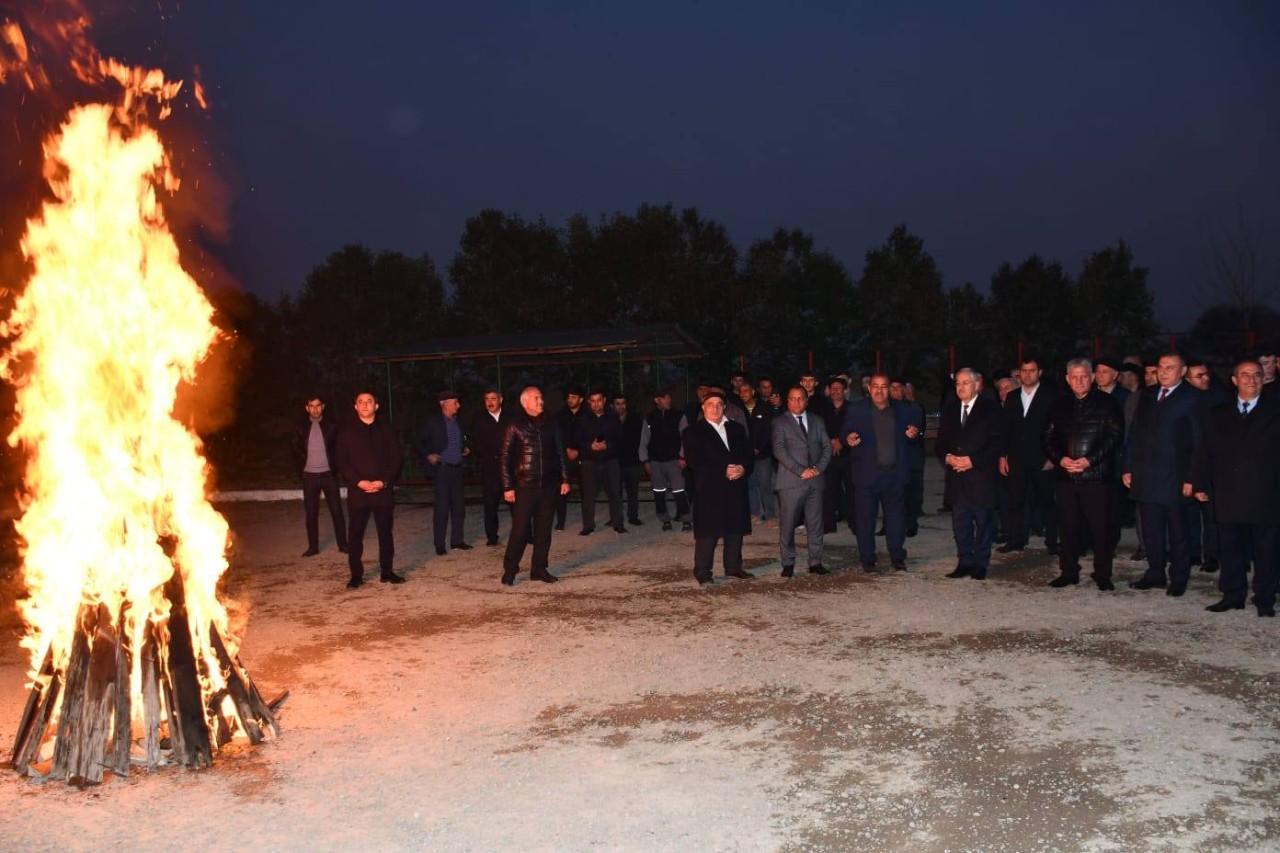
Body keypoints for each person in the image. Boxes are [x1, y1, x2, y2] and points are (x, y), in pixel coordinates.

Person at [1194, 359, 1279, 617]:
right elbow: (1204, 451)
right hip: (1228, 491)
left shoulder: (1276, 410)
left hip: (1266, 492)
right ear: (1234, 380)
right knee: (1229, 547)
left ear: (1263, 379)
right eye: (1245, 375)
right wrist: (1199, 482)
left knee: (1266, 551)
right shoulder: (1218, 413)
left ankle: (1264, 598)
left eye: (1256, 375)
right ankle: (1232, 595)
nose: (1251, 380)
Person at [1123, 353, 1205, 597]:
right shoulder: (1147, 395)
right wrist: (1128, 467)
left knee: (1178, 531)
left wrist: (1193, 478)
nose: (1164, 371)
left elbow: (1200, 442)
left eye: (1171, 367)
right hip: (1146, 475)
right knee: (1151, 530)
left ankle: (1179, 577)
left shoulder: (1193, 398)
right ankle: (1155, 572)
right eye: (1161, 367)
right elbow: (1134, 435)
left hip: (1175, 478)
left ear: (1182, 371)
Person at [1042, 359, 1124, 591]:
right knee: (1067, 527)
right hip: (1066, 477)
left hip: (1097, 478)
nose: (1079, 381)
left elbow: (1114, 435)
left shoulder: (1108, 404)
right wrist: (1061, 459)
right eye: (1074, 377)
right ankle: (1068, 571)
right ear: (1067, 379)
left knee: (1101, 528)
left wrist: (1089, 460)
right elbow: (1047, 437)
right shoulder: (1058, 405)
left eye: (1084, 376)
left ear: (1092, 377)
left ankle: (1102, 574)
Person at [842, 373, 923, 572]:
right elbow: (845, 433)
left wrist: (915, 434)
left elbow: (915, 433)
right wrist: (848, 439)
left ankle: (897, 556)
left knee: (896, 520)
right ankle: (868, 559)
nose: (879, 390)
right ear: (869, 389)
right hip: (867, 475)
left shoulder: (902, 410)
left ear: (890, 389)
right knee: (866, 520)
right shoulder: (857, 409)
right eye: (875, 386)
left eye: (884, 386)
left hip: (894, 475)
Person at [681, 389, 755, 586]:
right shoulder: (692, 432)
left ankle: (733, 567)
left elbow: (748, 456)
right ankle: (703, 571)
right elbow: (694, 461)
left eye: (719, 404)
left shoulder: (737, 429)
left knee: (735, 529)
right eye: (710, 405)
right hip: (709, 488)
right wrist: (724, 469)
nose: (715, 408)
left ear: (724, 407)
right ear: (703, 408)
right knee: (708, 532)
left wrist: (742, 468)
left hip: (735, 486)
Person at [500, 387, 571, 585]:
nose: (541, 401)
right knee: (520, 531)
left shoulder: (552, 423)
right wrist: (508, 487)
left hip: (549, 486)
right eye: (537, 398)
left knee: (543, 531)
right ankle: (510, 570)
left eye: (541, 397)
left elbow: (560, 452)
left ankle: (539, 569)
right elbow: (505, 458)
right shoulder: (514, 424)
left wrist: (565, 479)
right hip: (524, 487)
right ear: (526, 402)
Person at [938, 369, 1005, 580]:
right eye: (958, 382)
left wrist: (972, 460)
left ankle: (981, 564)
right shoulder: (949, 409)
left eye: (966, 382)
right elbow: (941, 442)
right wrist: (948, 457)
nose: (961, 387)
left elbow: (996, 442)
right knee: (960, 523)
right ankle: (964, 561)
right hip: (957, 477)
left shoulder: (990, 408)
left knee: (983, 523)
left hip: (981, 476)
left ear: (977, 385)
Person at [335, 391, 404, 588]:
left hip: (382, 492)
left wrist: (384, 481)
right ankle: (356, 575)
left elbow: (396, 458)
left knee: (385, 533)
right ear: (355, 406)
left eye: (369, 401)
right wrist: (358, 482)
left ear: (376, 406)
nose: (365, 405)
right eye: (361, 402)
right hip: (359, 492)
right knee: (355, 535)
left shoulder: (386, 430)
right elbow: (341, 461)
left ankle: (387, 572)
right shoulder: (346, 432)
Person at [999, 358, 1059, 555]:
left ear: (1039, 372)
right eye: (1024, 371)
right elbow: (1005, 428)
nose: (1027, 375)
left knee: (1047, 501)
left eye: (1031, 371)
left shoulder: (1051, 396)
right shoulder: (1013, 396)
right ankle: (1017, 539)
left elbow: (1058, 428)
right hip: (1016, 458)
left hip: (1042, 458)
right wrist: (1002, 455)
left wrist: (1053, 457)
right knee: (1016, 500)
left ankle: (1052, 541)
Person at [772, 385, 832, 577]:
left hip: (815, 480)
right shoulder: (779, 422)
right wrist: (801, 471)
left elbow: (827, 447)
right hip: (791, 481)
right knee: (788, 524)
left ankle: (815, 562)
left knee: (815, 524)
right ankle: (788, 563)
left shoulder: (817, 420)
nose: (797, 402)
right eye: (793, 399)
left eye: (801, 398)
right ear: (787, 401)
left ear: (806, 400)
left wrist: (817, 469)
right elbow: (779, 450)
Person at [413, 390, 472, 556]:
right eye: (455, 402)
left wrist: (465, 448)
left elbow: (462, 440)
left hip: (457, 468)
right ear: (443, 403)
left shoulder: (458, 421)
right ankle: (439, 544)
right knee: (442, 508)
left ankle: (457, 541)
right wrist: (427, 455)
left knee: (459, 507)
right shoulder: (433, 421)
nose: (458, 406)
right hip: (442, 469)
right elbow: (417, 440)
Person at [290, 395, 348, 558]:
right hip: (309, 476)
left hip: (328, 475)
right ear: (307, 408)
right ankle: (313, 547)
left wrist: (336, 468)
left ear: (323, 406)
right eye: (311, 406)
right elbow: (294, 447)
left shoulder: (332, 426)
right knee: (311, 513)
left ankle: (343, 544)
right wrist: (302, 467)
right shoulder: (300, 426)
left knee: (337, 511)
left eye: (318, 405)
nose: (315, 409)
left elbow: (340, 448)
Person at [574, 389, 626, 535]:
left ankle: (618, 523)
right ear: (589, 402)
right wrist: (589, 445)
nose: (596, 403)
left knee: (615, 493)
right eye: (593, 401)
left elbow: (619, 438)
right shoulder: (583, 418)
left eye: (599, 400)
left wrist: (607, 445)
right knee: (588, 495)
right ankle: (588, 525)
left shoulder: (613, 417)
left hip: (610, 461)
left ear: (604, 401)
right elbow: (577, 439)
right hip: (590, 461)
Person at [639, 389, 691, 532]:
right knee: (659, 492)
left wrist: (682, 456)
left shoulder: (679, 415)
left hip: (674, 461)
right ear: (657, 400)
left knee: (679, 491)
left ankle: (685, 519)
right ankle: (665, 519)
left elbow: (685, 438)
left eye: (669, 398)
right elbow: (644, 440)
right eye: (664, 398)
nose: (668, 401)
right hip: (656, 461)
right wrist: (645, 460)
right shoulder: (650, 417)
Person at [472, 388, 510, 547]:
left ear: (500, 400)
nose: (490, 402)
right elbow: (478, 445)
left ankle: (525, 534)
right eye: (487, 399)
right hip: (490, 470)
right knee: (490, 505)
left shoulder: (511, 418)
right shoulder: (480, 421)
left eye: (493, 398)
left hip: (509, 468)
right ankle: (492, 536)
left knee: (518, 505)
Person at [739, 377, 777, 525]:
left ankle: (770, 515)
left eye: (746, 391)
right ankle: (754, 513)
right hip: (745, 455)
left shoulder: (764, 407)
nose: (743, 394)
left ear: (753, 392)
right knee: (750, 485)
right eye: (741, 391)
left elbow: (768, 430)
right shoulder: (738, 409)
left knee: (765, 485)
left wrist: (758, 448)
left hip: (762, 454)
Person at [891, 378, 926, 536]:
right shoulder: (882, 410)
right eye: (892, 388)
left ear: (905, 390)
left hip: (911, 458)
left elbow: (919, 432)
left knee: (911, 495)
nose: (895, 391)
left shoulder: (914, 408)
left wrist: (914, 433)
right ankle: (889, 526)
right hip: (891, 460)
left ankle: (911, 524)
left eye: (898, 387)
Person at [820, 377, 853, 535]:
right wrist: (831, 441)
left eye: (839, 388)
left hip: (849, 455)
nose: (835, 391)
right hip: (829, 455)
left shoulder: (852, 409)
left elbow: (856, 428)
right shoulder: (823, 409)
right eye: (833, 388)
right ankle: (829, 524)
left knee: (852, 489)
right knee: (828, 491)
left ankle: (854, 522)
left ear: (845, 390)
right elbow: (819, 429)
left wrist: (841, 441)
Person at [554, 385, 586, 530]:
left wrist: (578, 450)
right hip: (564, 458)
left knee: (586, 490)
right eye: (568, 397)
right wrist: (566, 449)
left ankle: (587, 522)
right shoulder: (560, 416)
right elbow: (556, 435)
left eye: (573, 397)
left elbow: (590, 435)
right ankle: (560, 522)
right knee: (561, 490)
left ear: (581, 399)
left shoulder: (587, 415)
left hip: (582, 457)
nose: (570, 400)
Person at [612, 393, 645, 527]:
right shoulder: (609, 419)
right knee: (615, 493)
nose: (620, 406)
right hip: (614, 463)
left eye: (623, 403)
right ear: (613, 405)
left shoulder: (636, 419)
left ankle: (633, 516)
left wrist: (643, 459)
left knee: (633, 492)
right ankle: (616, 517)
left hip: (633, 462)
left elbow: (642, 440)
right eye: (617, 403)